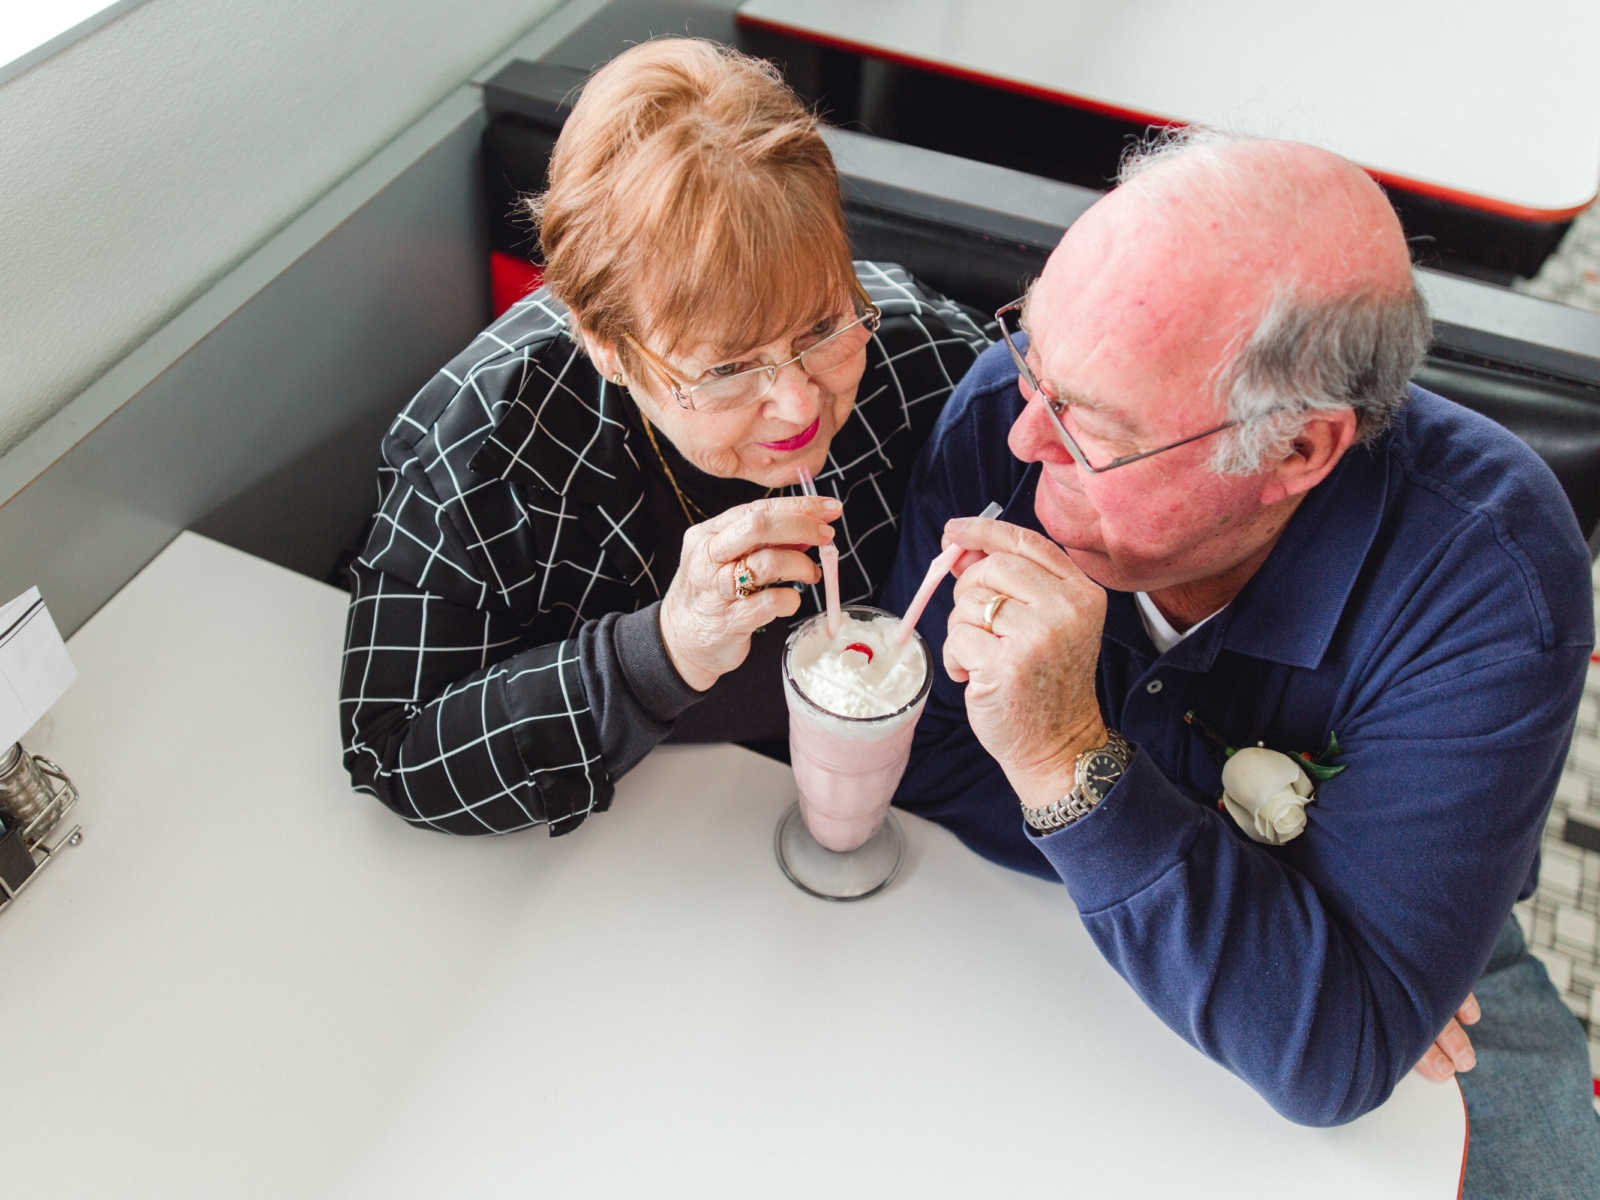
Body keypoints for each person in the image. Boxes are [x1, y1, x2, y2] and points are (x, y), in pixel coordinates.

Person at [882, 129, 1599, 1193]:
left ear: (1297, 451)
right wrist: (1284, 941)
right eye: (1030, 349)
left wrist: (1065, 762)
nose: (1027, 439)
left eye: (1092, 428)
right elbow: (927, 760)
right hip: (1080, 902)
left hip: (1430, 924)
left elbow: (1336, 1056)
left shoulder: (1494, 578)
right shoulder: (1008, 408)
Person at [338, 38, 988, 835]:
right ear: (607, 347)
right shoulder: (483, 454)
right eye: (729, 367)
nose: (796, 406)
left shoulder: (927, 358)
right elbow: (393, 748)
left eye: (821, 323)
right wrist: (659, 651)